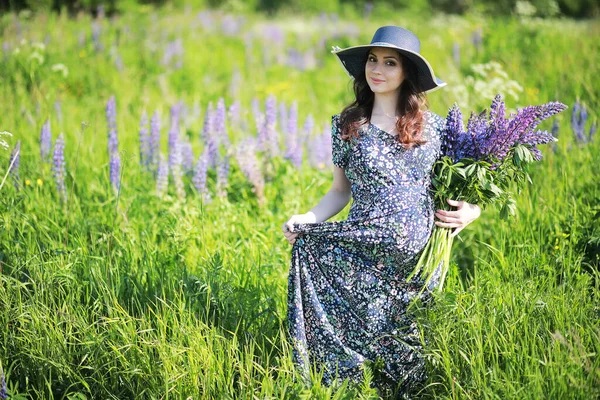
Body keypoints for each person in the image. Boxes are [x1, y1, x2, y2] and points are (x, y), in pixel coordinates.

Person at [282, 26, 481, 398]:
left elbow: (465, 185)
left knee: (410, 354)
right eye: (373, 60)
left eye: (390, 63)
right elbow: (340, 192)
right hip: (362, 248)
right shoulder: (348, 126)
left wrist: (472, 212)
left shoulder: (437, 129)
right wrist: (306, 220)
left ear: (407, 72)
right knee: (357, 344)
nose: (378, 69)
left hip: (419, 260)